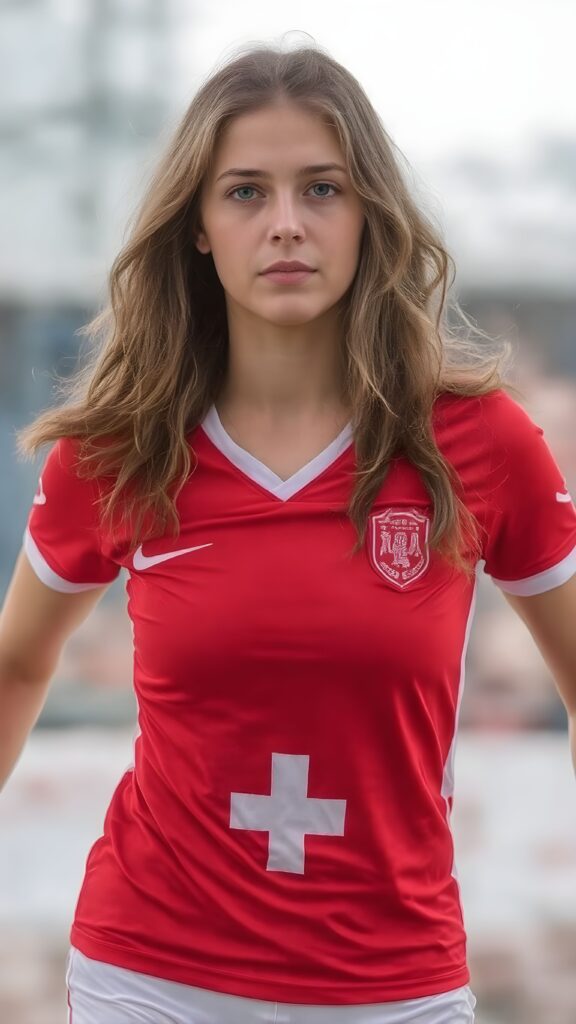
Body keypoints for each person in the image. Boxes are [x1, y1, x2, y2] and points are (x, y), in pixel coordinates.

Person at [1, 39, 575, 1024]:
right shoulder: (118, 451)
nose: (285, 226)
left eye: (321, 189)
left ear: (370, 216)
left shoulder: (480, 443)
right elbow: (16, 664)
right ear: (197, 227)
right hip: (149, 978)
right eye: (245, 193)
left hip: (397, 987)